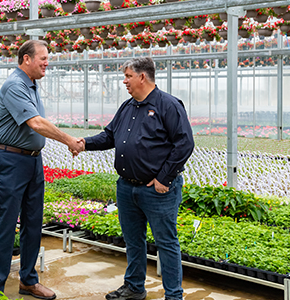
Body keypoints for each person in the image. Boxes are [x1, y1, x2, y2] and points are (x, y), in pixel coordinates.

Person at [76, 57, 194, 300]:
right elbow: (109, 136)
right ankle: (134, 287)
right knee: (133, 241)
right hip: (127, 188)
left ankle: (174, 296)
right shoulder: (127, 107)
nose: (124, 81)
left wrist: (164, 178)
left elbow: (185, 143)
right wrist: (84, 143)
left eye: (128, 76)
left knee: (166, 243)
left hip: (157, 190)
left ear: (142, 77)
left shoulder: (168, 105)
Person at [0, 39, 83, 300]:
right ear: (26, 59)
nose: (46, 62)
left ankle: (28, 281)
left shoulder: (32, 85)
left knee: (33, 222)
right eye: (42, 58)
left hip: (31, 160)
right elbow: (36, 123)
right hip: (10, 161)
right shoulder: (15, 85)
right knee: (6, 224)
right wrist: (69, 140)